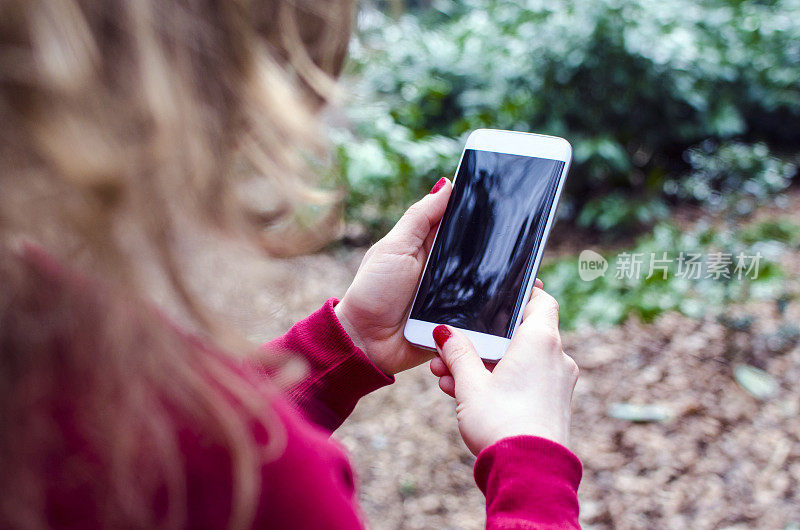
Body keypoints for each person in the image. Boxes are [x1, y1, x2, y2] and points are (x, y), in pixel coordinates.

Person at [0, 0, 581, 528]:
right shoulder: (256, 484)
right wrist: (531, 461)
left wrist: (343, 344)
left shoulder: (31, 324)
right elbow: (205, 463)